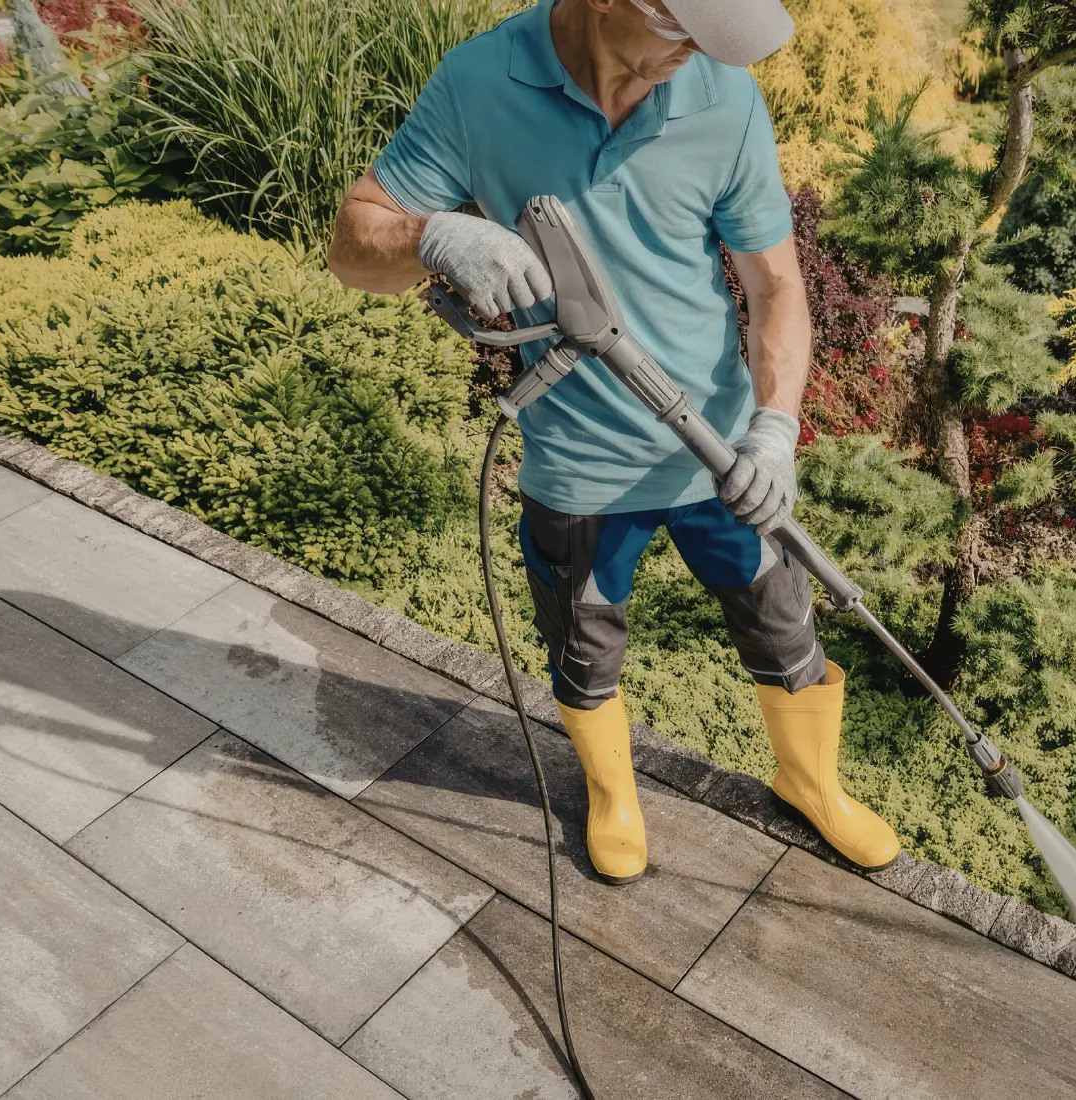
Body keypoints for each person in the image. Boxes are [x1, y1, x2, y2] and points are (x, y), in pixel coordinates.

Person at [328, 0, 900, 882]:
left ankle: (809, 782)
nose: (706, 56)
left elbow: (776, 284)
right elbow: (351, 245)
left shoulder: (725, 98)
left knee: (788, 635)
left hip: (720, 457)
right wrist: (432, 234)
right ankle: (612, 795)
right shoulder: (481, 82)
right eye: (688, 30)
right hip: (579, 468)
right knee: (585, 652)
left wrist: (775, 430)